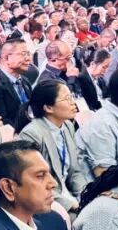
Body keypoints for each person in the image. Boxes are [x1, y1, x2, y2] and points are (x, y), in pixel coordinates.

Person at [20, 80, 88, 213]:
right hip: (48, 199)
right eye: (67, 99)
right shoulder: (32, 134)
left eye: (72, 97)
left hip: (68, 193)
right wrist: (71, 204)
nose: (73, 103)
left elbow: (75, 171)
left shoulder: (67, 126)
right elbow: (36, 182)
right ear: (48, 108)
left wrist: (86, 194)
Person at [0, 38, 34, 131]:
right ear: (7, 58)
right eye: (23, 54)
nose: (28, 58)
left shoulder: (25, 81)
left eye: (28, 54)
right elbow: (2, 121)